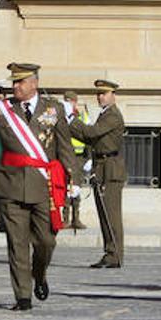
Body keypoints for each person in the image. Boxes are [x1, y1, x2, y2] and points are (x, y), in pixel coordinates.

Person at [0, 62, 76, 311]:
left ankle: (40, 273)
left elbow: (65, 147)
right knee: (17, 243)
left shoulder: (53, 108)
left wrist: (73, 180)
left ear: (34, 83)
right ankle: (22, 297)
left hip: (44, 186)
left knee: (47, 241)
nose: (15, 86)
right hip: (10, 185)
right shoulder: (1, 109)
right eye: (14, 82)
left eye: (20, 82)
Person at [68, 79, 126, 268]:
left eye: (104, 93)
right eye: (98, 94)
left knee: (111, 215)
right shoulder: (105, 114)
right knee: (104, 214)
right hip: (102, 166)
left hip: (110, 168)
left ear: (112, 95)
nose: (100, 97)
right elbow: (90, 137)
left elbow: (92, 133)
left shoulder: (112, 115)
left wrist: (72, 120)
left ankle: (114, 255)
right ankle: (110, 253)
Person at [62, 91, 87, 229]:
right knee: (66, 187)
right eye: (67, 101)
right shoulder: (60, 115)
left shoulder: (80, 115)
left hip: (78, 157)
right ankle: (65, 218)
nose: (69, 103)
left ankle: (76, 218)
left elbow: (88, 134)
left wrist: (88, 157)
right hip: (65, 155)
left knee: (76, 188)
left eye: (71, 101)